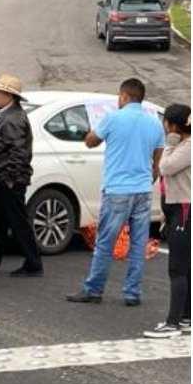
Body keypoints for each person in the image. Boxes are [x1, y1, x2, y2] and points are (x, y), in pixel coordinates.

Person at [66, 77, 163, 306]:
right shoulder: (154, 123)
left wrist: (90, 131)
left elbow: (91, 142)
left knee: (105, 242)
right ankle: (132, 293)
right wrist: (148, 179)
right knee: (138, 244)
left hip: (117, 189)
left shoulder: (112, 118)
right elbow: (157, 163)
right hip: (142, 190)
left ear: (124, 96)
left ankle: (94, 289)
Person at [0, 73, 42, 277]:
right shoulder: (11, 116)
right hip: (4, 179)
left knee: (17, 223)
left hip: (7, 180)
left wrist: (9, 180)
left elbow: (18, 153)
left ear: (8, 96)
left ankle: (33, 263)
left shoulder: (12, 119)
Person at [144, 103, 191, 337]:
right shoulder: (185, 145)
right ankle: (186, 318)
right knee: (185, 268)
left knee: (178, 268)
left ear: (172, 125)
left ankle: (173, 322)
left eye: (166, 123)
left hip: (184, 210)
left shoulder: (186, 147)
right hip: (176, 209)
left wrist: (170, 144)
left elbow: (165, 167)